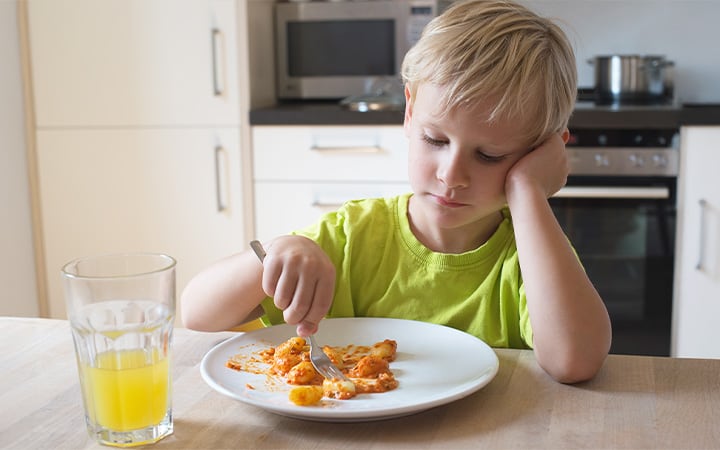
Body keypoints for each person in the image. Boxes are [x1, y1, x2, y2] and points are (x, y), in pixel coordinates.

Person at [181, 0, 611, 383]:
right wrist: (275, 251)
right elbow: (196, 314)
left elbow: (574, 361)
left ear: (540, 153)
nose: (451, 174)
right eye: (436, 141)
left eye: (490, 156)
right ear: (409, 111)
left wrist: (527, 192)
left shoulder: (530, 256)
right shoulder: (354, 235)